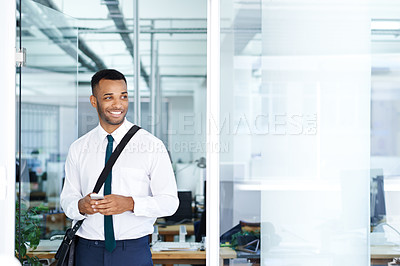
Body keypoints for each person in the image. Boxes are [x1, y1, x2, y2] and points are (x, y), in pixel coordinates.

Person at [60, 69, 179, 266]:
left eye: (123, 97)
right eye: (109, 97)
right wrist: (80, 206)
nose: (118, 104)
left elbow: (169, 202)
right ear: (94, 101)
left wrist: (130, 204)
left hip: (132, 251)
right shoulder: (79, 148)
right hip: (87, 251)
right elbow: (67, 199)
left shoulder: (151, 145)